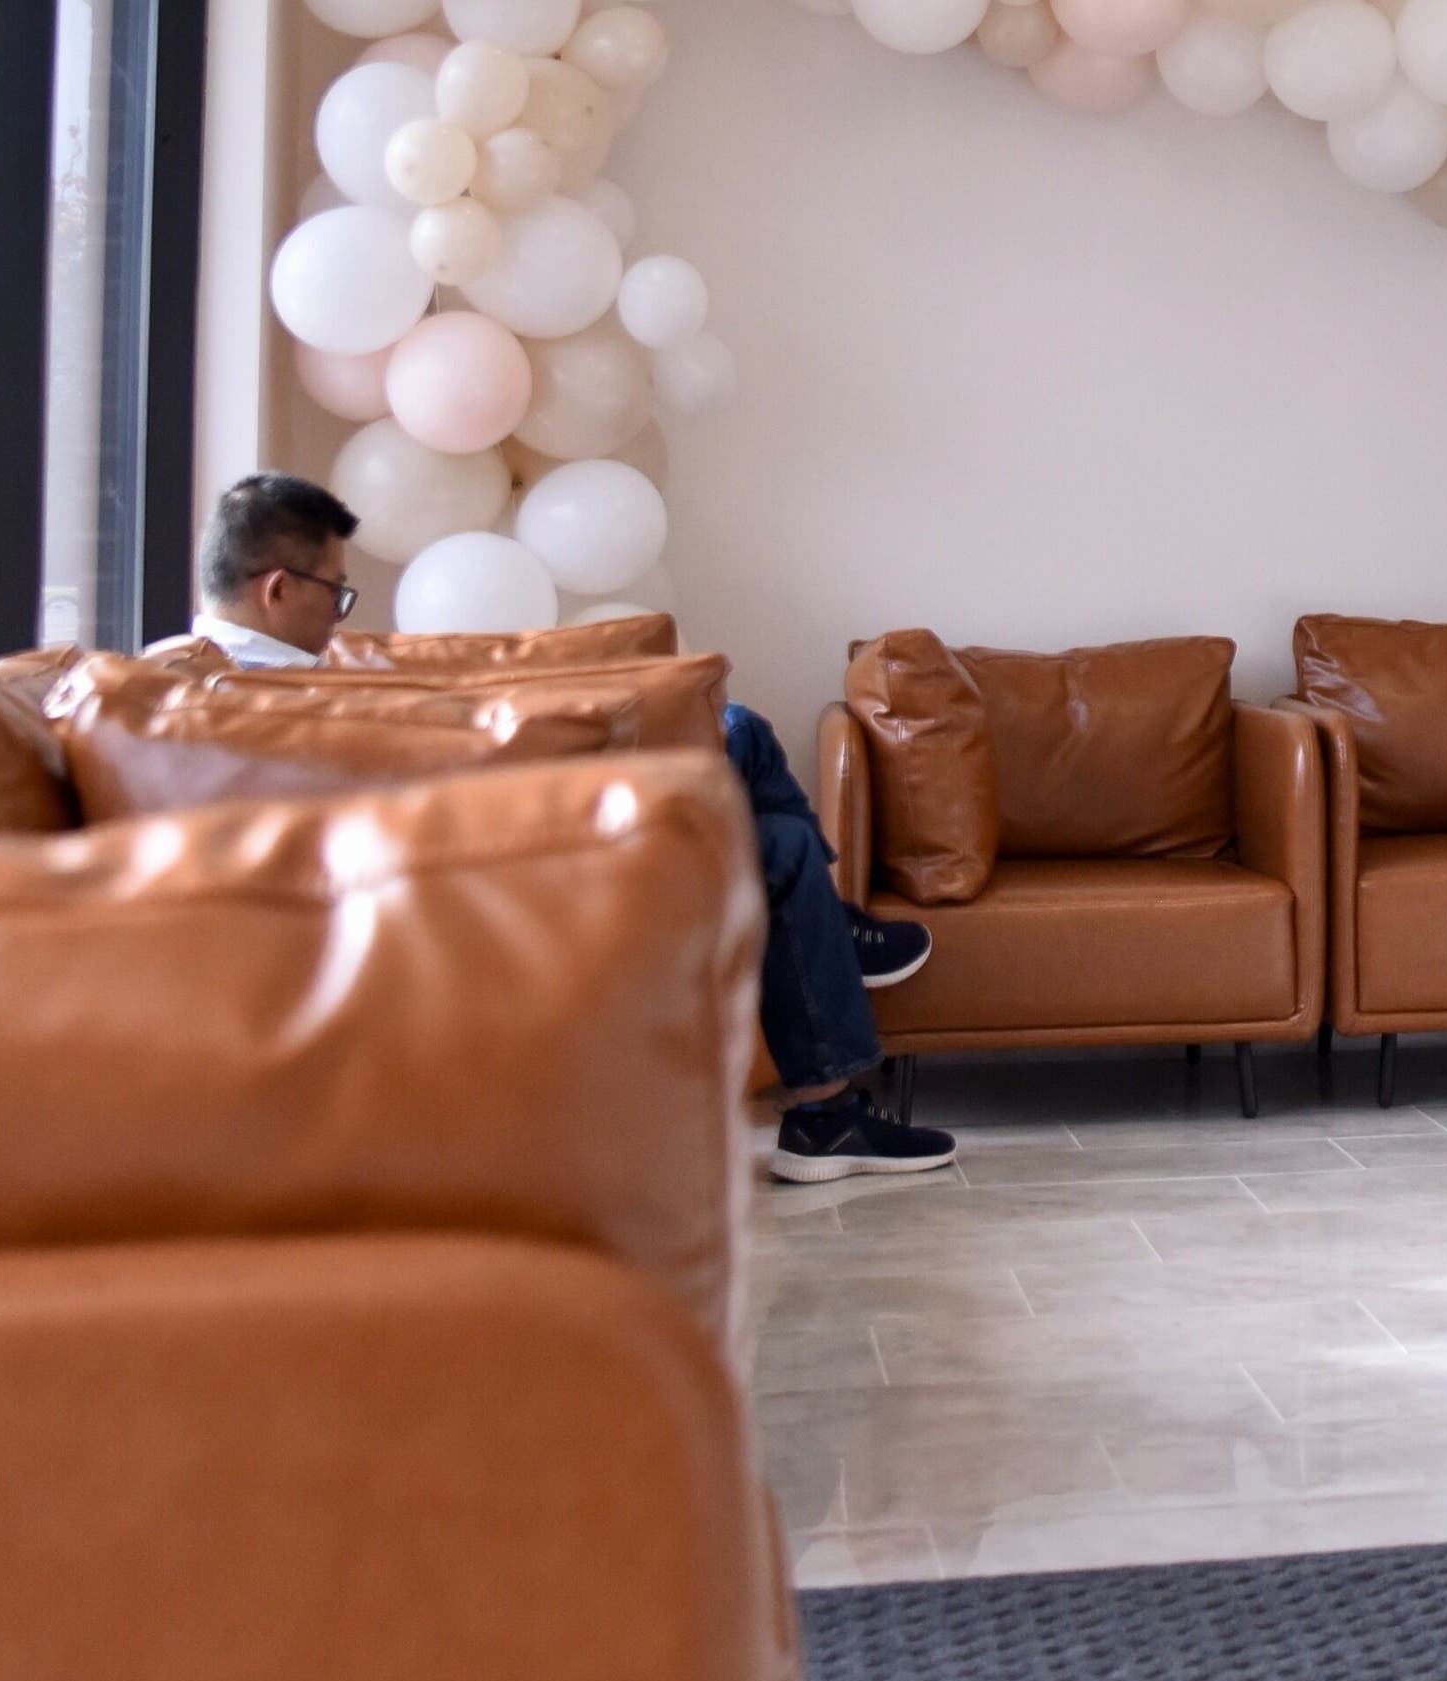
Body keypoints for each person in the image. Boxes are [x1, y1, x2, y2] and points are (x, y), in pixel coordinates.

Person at [190, 473, 953, 1182]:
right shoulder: (262, 695)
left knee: (743, 738)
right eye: (336, 593)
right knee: (774, 837)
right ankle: (828, 1088)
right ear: (277, 588)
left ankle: (829, 1086)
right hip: (494, 861)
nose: (340, 615)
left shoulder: (217, 673)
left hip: (484, 836)